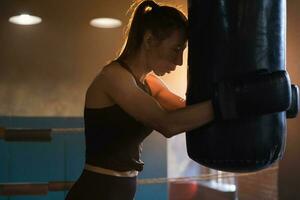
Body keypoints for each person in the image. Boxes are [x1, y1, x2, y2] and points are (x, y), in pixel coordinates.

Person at [65, 0, 214, 199]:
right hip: (96, 192)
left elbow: (184, 111)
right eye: (176, 49)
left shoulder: (150, 82)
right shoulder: (114, 78)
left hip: (121, 192)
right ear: (149, 40)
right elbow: (167, 124)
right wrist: (231, 103)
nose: (179, 61)